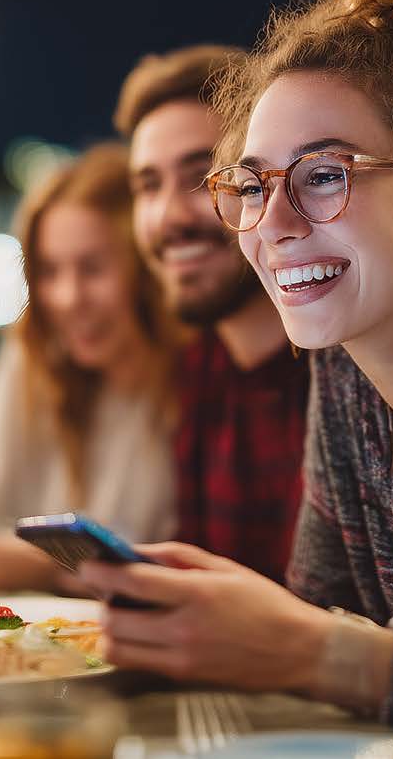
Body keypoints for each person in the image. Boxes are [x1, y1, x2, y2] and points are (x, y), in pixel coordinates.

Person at [83, 0, 393, 728]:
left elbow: (323, 648)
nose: (274, 223)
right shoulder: (346, 378)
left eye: (324, 174)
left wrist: (324, 653)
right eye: (252, 185)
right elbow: (319, 617)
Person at [117, 43, 308, 583]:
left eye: (202, 177)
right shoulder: (195, 370)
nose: (167, 217)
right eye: (148, 186)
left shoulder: (350, 371)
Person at [0, 145, 179, 592]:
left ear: (146, 270)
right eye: (50, 271)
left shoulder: (195, 383)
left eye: (92, 268)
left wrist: (49, 567)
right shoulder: (31, 362)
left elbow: (183, 566)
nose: (68, 298)